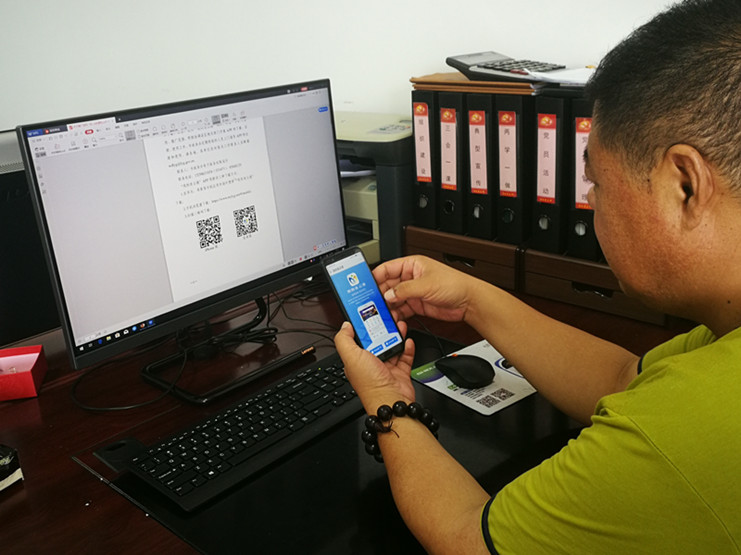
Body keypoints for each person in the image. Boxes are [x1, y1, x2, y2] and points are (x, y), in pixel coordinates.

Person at [334, 0, 741, 552]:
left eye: (596, 183)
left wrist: (387, 400)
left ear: (684, 185)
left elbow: (466, 539)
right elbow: (625, 379)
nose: (589, 202)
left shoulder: (686, 431)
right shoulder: (720, 348)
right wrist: (472, 298)